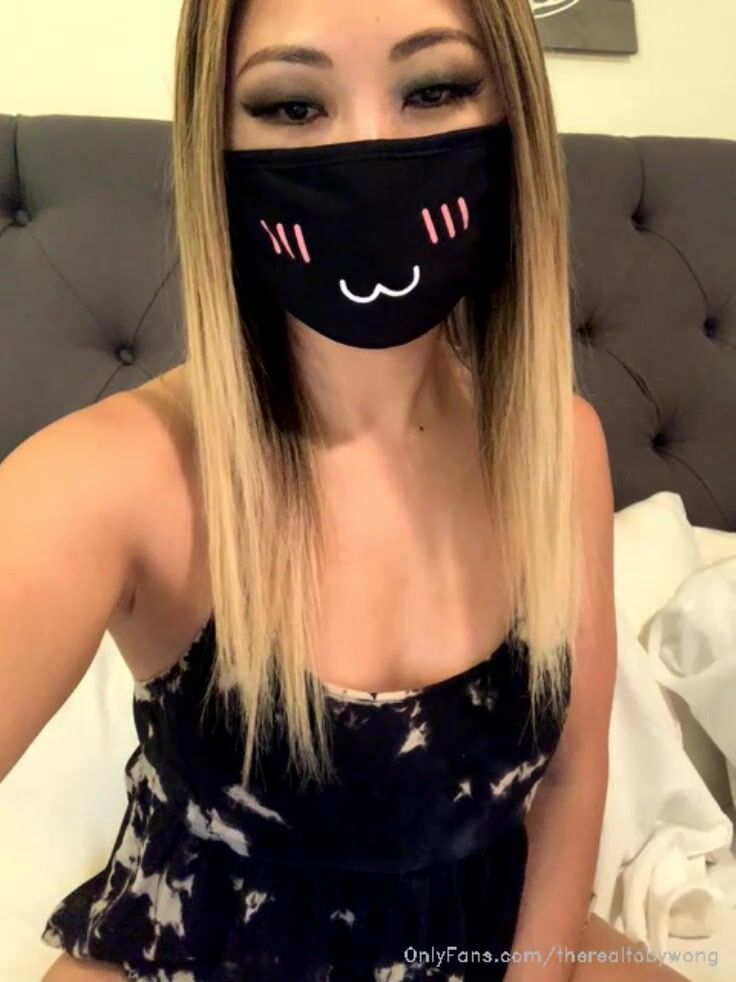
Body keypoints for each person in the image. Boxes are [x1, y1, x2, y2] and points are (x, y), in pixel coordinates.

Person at [0, 0, 690, 979]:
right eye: (292, 106)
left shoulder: (558, 447)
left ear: (513, 119)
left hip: (484, 932)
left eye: (435, 89)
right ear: (215, 143)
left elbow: (572, 777)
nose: (371, 156)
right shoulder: (114, 477)